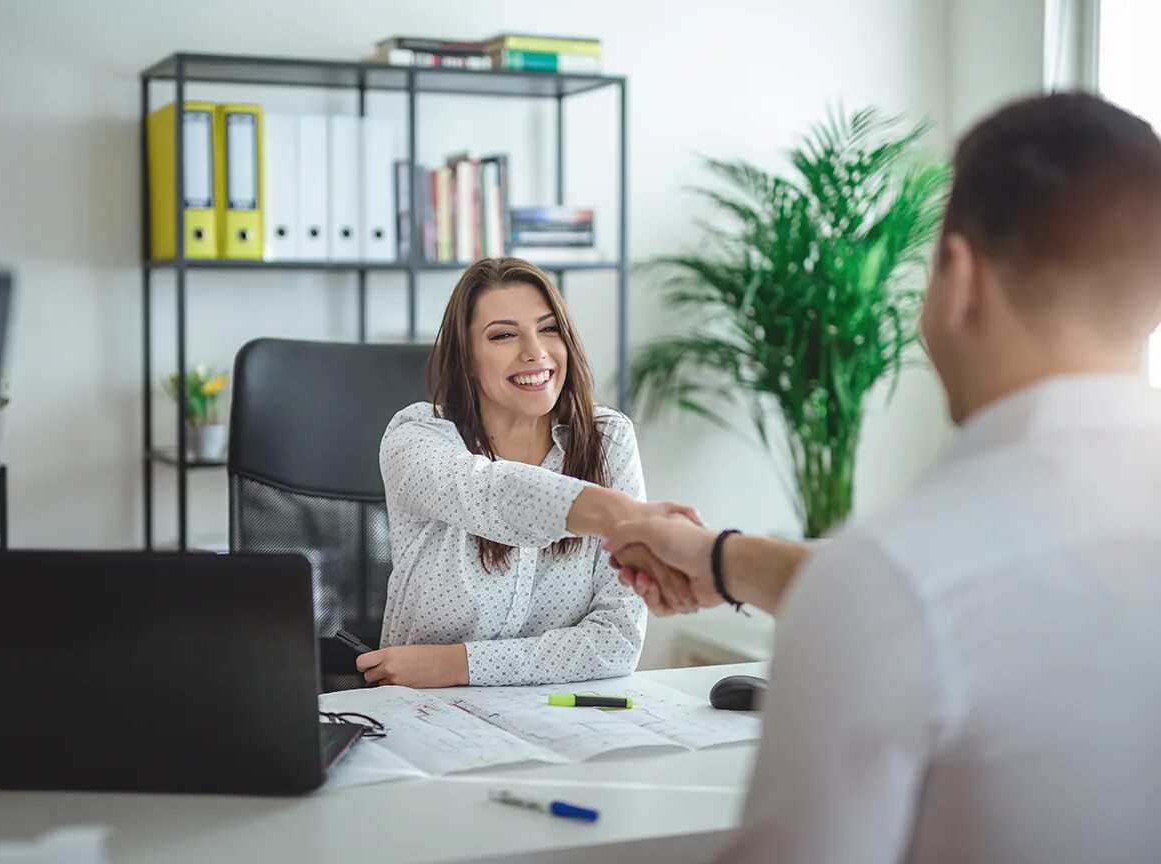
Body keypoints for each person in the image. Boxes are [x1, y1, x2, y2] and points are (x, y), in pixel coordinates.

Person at [606, 92, 1161, 863]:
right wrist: (721, 558)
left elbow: (906, 599)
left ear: (960, 278)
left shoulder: (897, 577)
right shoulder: (911, 579)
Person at [358, 258, 698, 689]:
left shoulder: (607, 439)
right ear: (467, 358)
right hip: (423, 715)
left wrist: (455, 665)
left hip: (559, 719)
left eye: (549, 328)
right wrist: (615, 512)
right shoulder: (416, 438)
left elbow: (616, 640)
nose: (535, 351)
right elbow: (491, 494)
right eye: (503, 335)